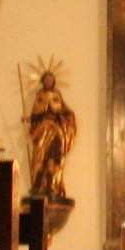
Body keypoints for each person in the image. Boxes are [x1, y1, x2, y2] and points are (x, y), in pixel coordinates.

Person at [22, 62, 77, 203]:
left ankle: (51, 187)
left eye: (51, 80)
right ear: (42, 81)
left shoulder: (57, 95)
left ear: (54, 81)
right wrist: (28, 119)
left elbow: (64, 111)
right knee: (40, 158)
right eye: (46, 79)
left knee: (54, 159)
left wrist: (67, 117)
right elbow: (36, 114)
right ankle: (38, 185)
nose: (49, 81)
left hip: (56, 129)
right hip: (43, 129)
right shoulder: (39, 96)